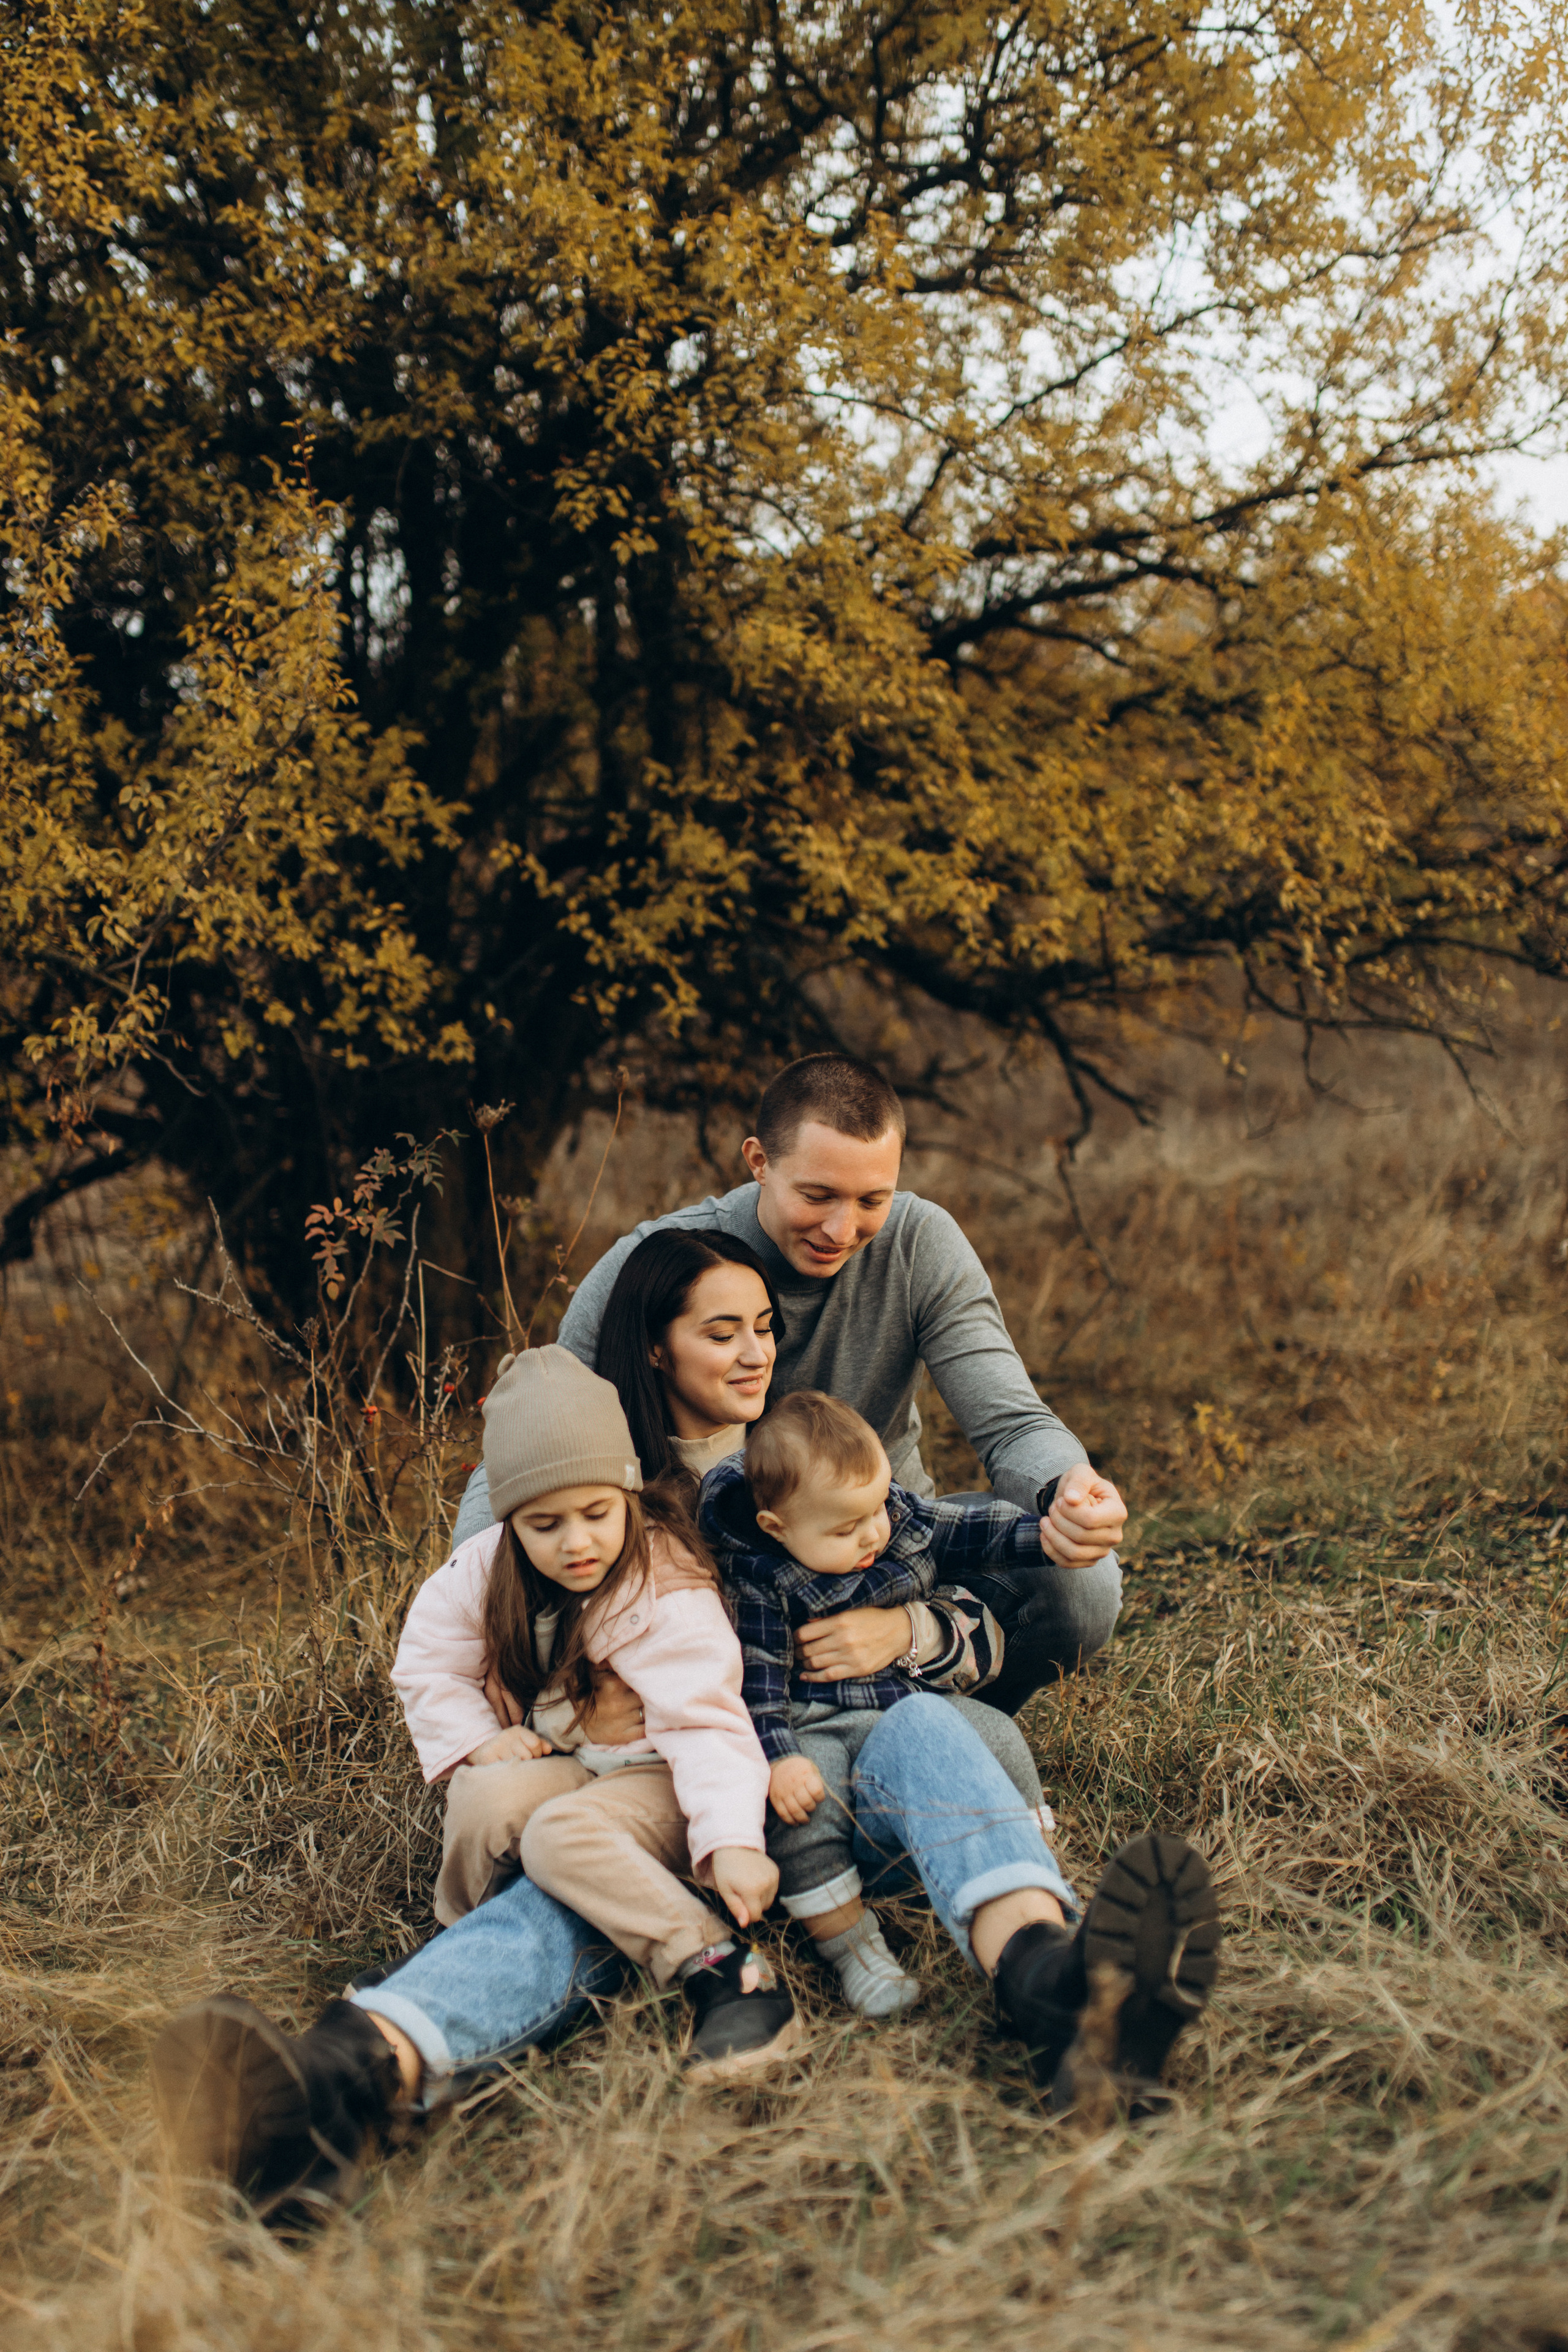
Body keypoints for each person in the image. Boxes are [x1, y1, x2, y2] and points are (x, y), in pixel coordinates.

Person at [452, 1052, 1128, 1717]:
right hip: (726, 1588)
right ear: (758, 1162)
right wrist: (477, 1622)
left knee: (1083, 1587)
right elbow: (527, 1450)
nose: (842, 1229)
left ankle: (927, 1697)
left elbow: (1011, 1422)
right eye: (817, 1196)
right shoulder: (656, 1266)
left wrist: (1066, 1488)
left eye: (872, 1200)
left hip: (892, 1558)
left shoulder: (920, 1244)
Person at [391, 1344, 796, 2084]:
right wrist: (480, 1740)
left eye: (596, 1514)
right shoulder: (484, 1570)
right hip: (570, 1763)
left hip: (661, 1779)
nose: (575, 1542)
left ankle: (718, 1966)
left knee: (558, 1834)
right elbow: (429, 1663)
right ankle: (462, 1946)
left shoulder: (662, 1579)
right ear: (510, 1518)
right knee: (488, 1797)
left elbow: (706, 1724)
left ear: (629, 1495)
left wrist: (732, 1839)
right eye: (544, 1524)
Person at [703, 1389, 1112, 2018]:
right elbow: (755, 1683)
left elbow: (972, 1531)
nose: (873, 1533)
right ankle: (852, 1948)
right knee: (798, 1817)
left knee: (994, 1736)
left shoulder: (894, 1517)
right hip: (814, 1723)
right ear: (776, 1528)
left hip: (906, 1705)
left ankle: (1030, 1861)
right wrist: (780, 1757)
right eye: (845, 1528)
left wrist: (1045, 1537)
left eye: (876, 1509)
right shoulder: (759, 1579)